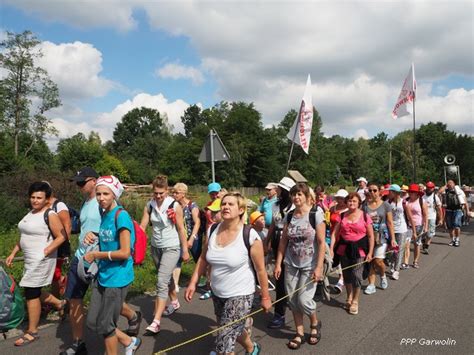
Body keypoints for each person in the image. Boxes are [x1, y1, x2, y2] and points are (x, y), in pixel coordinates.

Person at [63, 167, 141, 355]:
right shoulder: (104, 212)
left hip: (117, 276)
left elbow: (124, 252)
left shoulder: (120, 216)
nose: (101, 198)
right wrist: (94, 235)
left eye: (106, 193)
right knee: (92, 322)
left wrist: (96, 255)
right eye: (98, 194)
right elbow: (107, 236)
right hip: (103, 274)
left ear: (114, 194)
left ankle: (124, 345)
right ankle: (129, 341)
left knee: (106, 326)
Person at [185, 192, 271, 355]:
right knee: (234, 330)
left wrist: (265, 297)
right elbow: (203, 258)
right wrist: (193, 282)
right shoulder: (213, 230)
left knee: (224, 341)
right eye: (223, 204)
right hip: (218, 292)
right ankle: (252, 348)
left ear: (241, 210)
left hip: (241, 294)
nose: (225, 207)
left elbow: (261, 270)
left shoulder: (250, 235)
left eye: (230, 204)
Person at [6, 181, 68, 346]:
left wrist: (47, 250)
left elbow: (61, 236)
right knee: (31, 289)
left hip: (42, 259)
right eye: (32, 197)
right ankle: (61, 303)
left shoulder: (50, 214)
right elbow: (23, 236)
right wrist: (13, 253)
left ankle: (32, 331)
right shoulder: (30, 213)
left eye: (39, 198)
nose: (35, 200)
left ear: (47, 199)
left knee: (31, 292)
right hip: (29, 258)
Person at [274, 183, 326, 350]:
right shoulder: (289, 216)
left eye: (299, 194)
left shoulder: (315, 213)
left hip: (310, 264)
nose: (296, 197)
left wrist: (319, 267)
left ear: (306, 196)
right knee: (293, 300)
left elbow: (321, 242)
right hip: (291, 263)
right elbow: (283, 241)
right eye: (294, 194)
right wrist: (278, 263)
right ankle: (299, 332)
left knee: (304, 300)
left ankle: (314, 324)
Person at [141, 175, 190, 335]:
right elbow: (143, 226)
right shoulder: (149, 205)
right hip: (156, 247)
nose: (158, 196)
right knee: (167, 279)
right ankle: (174, 301)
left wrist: (185, 250)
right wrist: (134, 240)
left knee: (161, 282)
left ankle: (156, 321)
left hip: (172, 247)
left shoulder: (174, 205)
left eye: (161, 193)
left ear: (167, 191)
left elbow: (181, 229)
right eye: (156, 193)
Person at [331, 192, 374, 315]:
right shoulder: (342, 215)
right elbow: (335, 234)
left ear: (359, 202)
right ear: (346, 202)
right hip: (344, 249)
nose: (351, 203)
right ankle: (349, 297)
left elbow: (370, 236)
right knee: (346, 274)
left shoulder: (365, 216)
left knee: (356, 274)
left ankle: (355, 300)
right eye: (349, 201)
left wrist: (370, 252)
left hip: (360, 250)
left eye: (354, 201)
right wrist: (331, 249)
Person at [266, 176, 295, 329]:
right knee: (280, 278)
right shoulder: (275, 205)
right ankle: (279, 314)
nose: (277, 190)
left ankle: (294, 303)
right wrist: (267, 242)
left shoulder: (293, 207)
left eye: (280, 189)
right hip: (278, 240)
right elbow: (272, 225)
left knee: (291, 277)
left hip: (291, 242)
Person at [363, 183, 396, 295]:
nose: (372, 192)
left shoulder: (386, 205)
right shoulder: (365, 205)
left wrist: (393, 238)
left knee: (378, 260)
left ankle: (382, 275)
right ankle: (371, 284)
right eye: (370, 190)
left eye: (375, 190)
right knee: (370, 261)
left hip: (381, 236)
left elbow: (390, 222)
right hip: (367, 236)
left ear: (379, 192)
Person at [171, 183, 202, 292]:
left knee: (199, 259)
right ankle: (175, 284)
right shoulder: (174, 205)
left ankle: (207, 280)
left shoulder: (192, 206)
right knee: (177, 259)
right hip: (180, 238)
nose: (174, 194)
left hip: (193, 237)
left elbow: (197, 222)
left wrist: (191, 239)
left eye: (177, 193)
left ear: (183, 194)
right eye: (173, 192)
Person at [199, 198, 222, 301]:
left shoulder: (241, 231)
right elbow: (204, 255)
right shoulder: (211, 228)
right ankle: (211, 289)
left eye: (215, 212)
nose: (212, 214)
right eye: (211, 212)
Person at [387, 184, 412, 280]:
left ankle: (396, 270)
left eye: (390, 191)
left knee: (400, 249)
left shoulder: (404, 202)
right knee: (392, 250)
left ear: (395, 193)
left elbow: (409, 216)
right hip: (391, 228)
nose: (388, 193)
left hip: (402, 229)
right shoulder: (388, 202)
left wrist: (413, 230)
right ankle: (392, 264)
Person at [329, 189, 349, 292]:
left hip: (343, 237)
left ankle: (341, 279)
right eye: (338, 198)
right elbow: (328, 220)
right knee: (334, 258)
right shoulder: (333, 208)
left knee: (341, 257)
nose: (340, 200)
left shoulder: (349, 209)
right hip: (332, 235)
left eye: (342, 198)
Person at [403, 184, 428, 268]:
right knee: (407, 243)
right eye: (410, 192)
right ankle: (406, 262)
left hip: (419, 225)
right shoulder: (405, 201)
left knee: (417, 244)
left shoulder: (421, 201)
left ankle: (415, 261)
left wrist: (426, 226)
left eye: (413, 192)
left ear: (417, 193)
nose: (410, 193)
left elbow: (425, 215)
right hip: (408, 225)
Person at [440, 180, 467, 247]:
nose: (450, 184)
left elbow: (464, 199)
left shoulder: (459, 191)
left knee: (456, 225)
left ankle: (457, 239)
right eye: (448, 183)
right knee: (450, 226)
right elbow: (439, 192)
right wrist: (445, 186)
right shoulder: (446, 190)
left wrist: (467, 210)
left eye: (451, 183)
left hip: (457, 209)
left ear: (454, 184)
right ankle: (453, 239)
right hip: (449, 210)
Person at [421, 181, 443, 254]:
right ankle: (423, 241)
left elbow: (439, 209)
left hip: (432, 217)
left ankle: (426, 247)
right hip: (422, 218)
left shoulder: (435, 197)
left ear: (433, 188)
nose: (429, 189)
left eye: (431, 188)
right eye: (428, 187)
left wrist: (441, 219)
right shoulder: (422, 196)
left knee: (430, 233)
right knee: (422, 233)